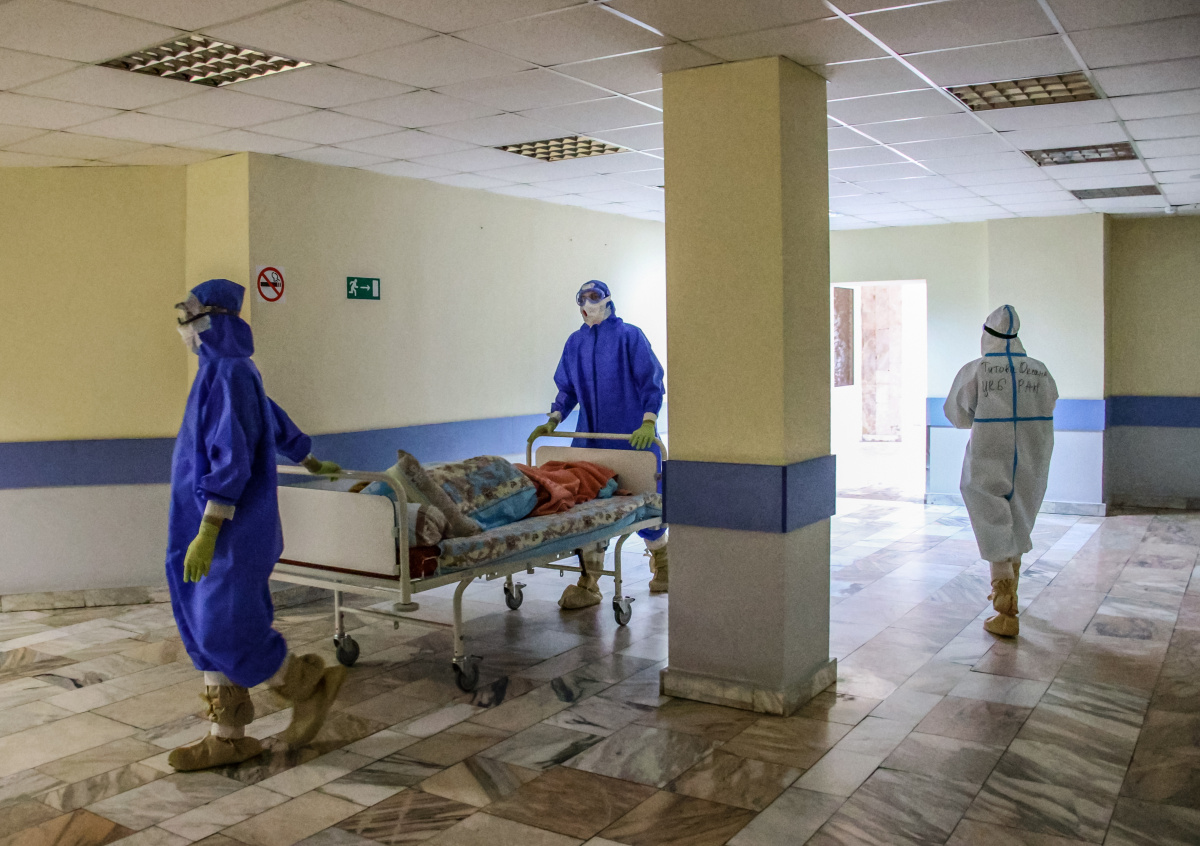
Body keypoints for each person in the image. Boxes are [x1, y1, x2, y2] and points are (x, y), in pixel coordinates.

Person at [166, 278, 347, 771]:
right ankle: (227, 738)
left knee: (224, 627)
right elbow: (270, 418)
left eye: (193, 319)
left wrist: (209, 531)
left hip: (231, 529)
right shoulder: (217, 372)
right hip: (198, 520)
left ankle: (306, 683)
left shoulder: (230, 372)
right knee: (201, 626)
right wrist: (309, 458)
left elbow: (233, 456)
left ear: (216, 320)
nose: (186, 330)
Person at [529, 280, 668, 608]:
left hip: (631, 438)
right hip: (590, 440)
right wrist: (554, 419)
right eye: (583, 298)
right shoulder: (575, 343)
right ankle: (589, 582)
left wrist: (648, 421)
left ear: (608, 300)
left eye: (595, 296)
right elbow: (567, 389)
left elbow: (651, 381)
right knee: (590, 508)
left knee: (645, 505)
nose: (589, 303)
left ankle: (663, 562)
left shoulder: (629, 337)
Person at [944, 305, 1057, 637]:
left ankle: (1004, 602)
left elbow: (957, 414)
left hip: (988, 451)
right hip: (1033, 451)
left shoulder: (977, 370)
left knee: (990, 514)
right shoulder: (1039, 370)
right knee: (1020, 513)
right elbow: (1051, 402)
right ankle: (1011, 593)